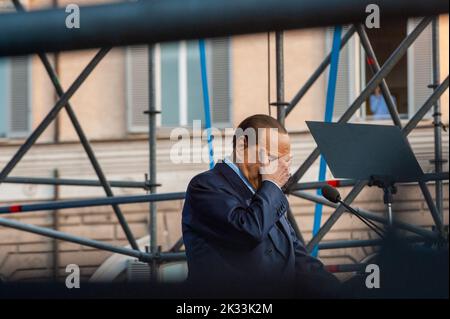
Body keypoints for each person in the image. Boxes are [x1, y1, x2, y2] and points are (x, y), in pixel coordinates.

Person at [182, 114, 341, 297]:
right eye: (273, 158)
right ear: (242, 147)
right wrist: (272, 185)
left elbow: (297, 259)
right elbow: (248, 231)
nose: (280, 170)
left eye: (285, 161)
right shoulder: (206, 186)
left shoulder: (266, 194)